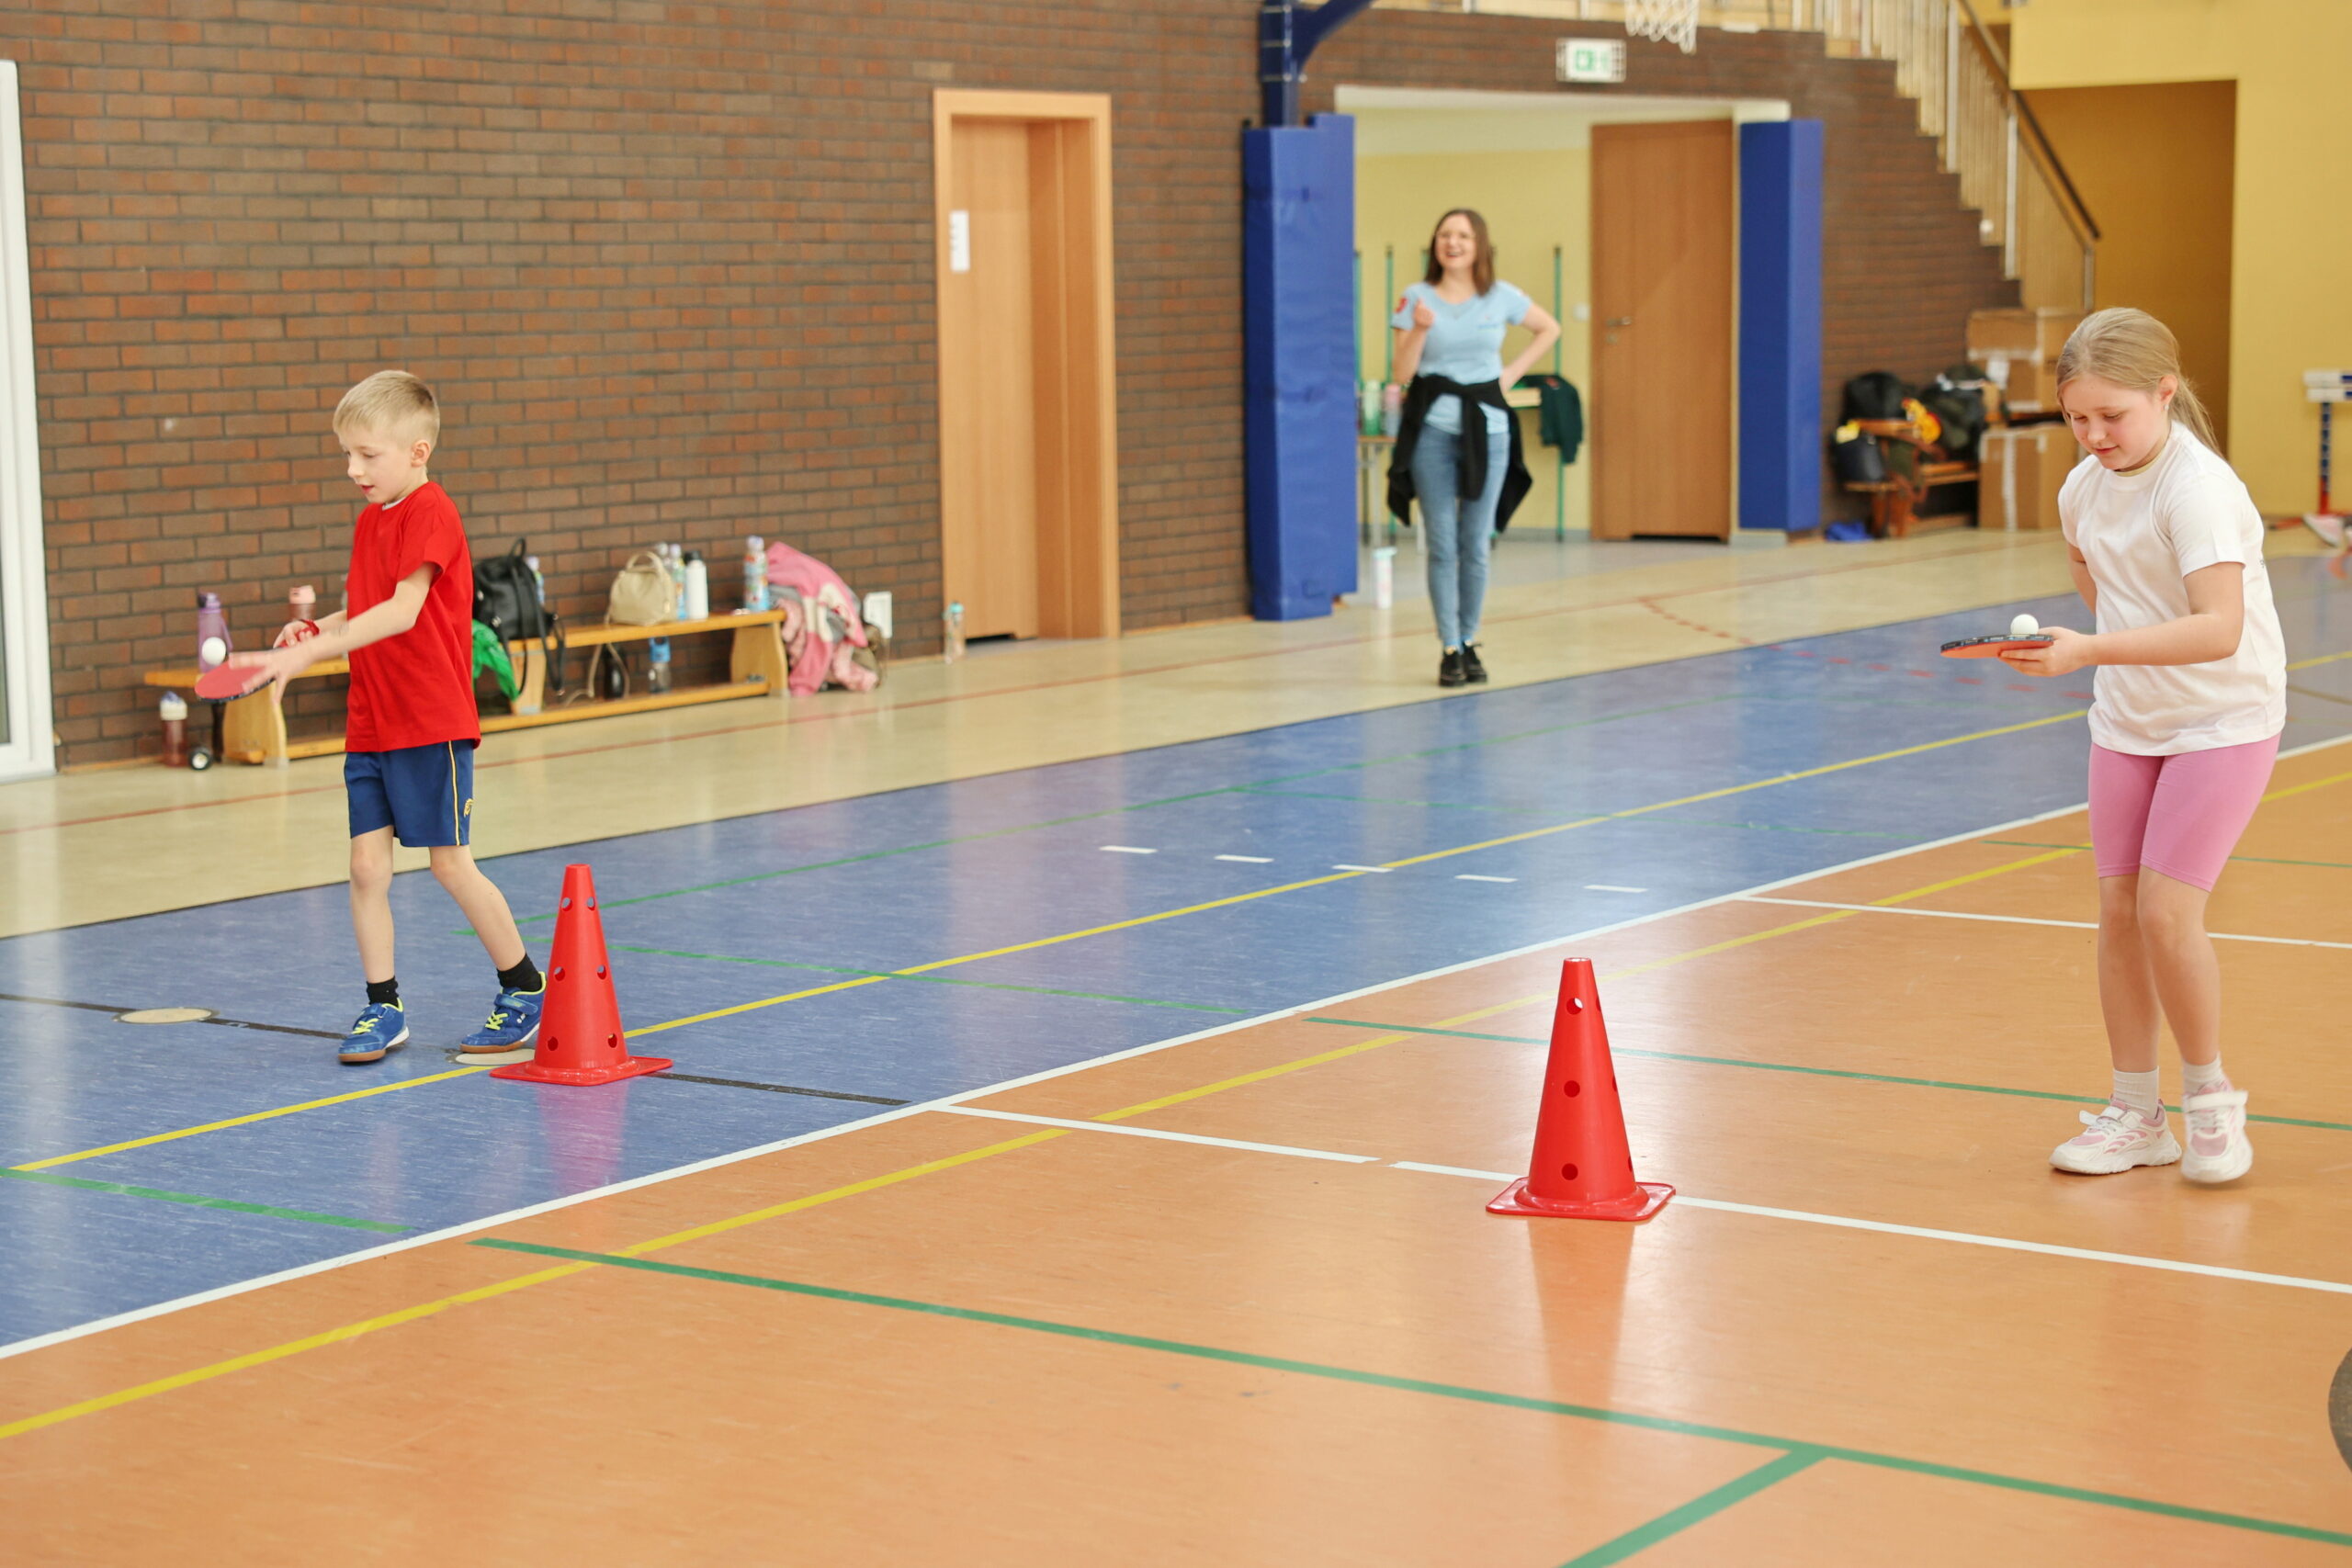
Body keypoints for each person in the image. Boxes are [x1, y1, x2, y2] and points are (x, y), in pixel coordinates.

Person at [2002, 309, 2286, 1183]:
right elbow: (2093, 577)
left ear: (2165, 392)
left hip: (2222, 719)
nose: (2093, 435)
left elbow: (2219, 627)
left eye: (2112, 415)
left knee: (2167, 913)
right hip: (2129, 720)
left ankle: (2210, 1101)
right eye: (2076, 417)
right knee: (2119, 913)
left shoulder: (2198, 490)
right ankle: (2137, 1113)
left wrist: (2087, 651)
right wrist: (2094, 648)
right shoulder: (2081, 489)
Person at [232, 371, 547, 1065]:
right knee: (365, 868)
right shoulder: (370, 521)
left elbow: (404, 611)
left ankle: (525, 987)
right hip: (372, 720)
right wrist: (314, 632)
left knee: (450, 865)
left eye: (367, 455)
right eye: (347, 454)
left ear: (417, 451)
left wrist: (309, 656)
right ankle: (384, 1005)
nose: (353, 469)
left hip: (429, 720)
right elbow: (368, 607)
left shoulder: (432, 512)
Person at [1386, 209, 1561, 688]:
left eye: (1463, 235)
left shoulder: (1501, 295)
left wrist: (1510, 375)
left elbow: (1549, 328)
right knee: (1443, 543)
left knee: (1476, 542)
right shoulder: (1415, 298)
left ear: (1479, 244)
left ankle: (1469, 638)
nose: (1453, 243)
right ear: (1435, 244)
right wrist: (1420, 329)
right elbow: (1402, 373)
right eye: (1445, 234)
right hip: (1433, 431)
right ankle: (1448, 647)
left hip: (1489, 429)